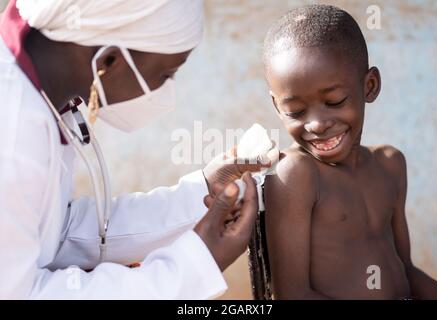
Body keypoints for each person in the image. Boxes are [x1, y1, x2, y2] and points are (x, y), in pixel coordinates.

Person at [0, 0, 274, 299]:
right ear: (108, 61)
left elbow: (57, 233)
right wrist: (196, 263)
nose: (167, 91)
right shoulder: (10, 132)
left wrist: (202, 192)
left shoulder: (43, 98)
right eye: (166, 74)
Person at [262, 4, 437, 299]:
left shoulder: (390, 164)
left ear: (370, 86)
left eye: (334, 101)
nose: (317, 124)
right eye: (296, 111)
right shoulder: (296, 175)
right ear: (277, 107)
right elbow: (292, 294)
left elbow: (405, 270)